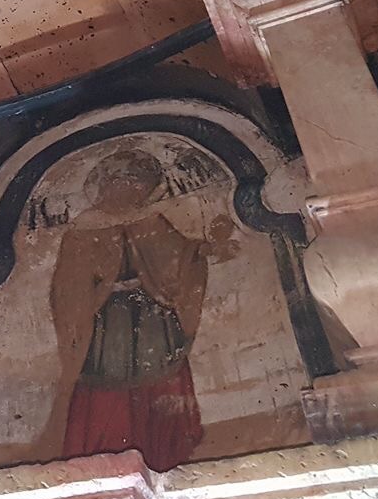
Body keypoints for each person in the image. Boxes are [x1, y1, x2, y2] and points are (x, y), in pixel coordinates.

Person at [45, 148, 237, 471]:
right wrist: (92, 295)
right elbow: (67, 289)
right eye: (129, 184)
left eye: (141, 186)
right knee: (106, 385)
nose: (136, 192)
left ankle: (162, 448)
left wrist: (205, 249)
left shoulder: (150, 221)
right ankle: (106, 450)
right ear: (109, 186)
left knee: (161, 376)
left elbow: (179, 254)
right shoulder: (83, 230)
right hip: (109, 325)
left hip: (152, 320)